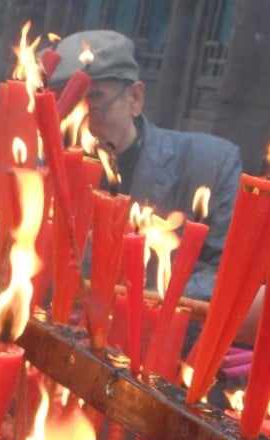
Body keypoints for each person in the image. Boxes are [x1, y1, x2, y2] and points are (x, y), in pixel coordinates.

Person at [51, 30, 242, 304]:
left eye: (93, 100)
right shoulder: (46, 174)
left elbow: (225, 274)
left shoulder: (210, 164)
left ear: (135, 98)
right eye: (66, 104)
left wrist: (141, 299)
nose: (78, 120)